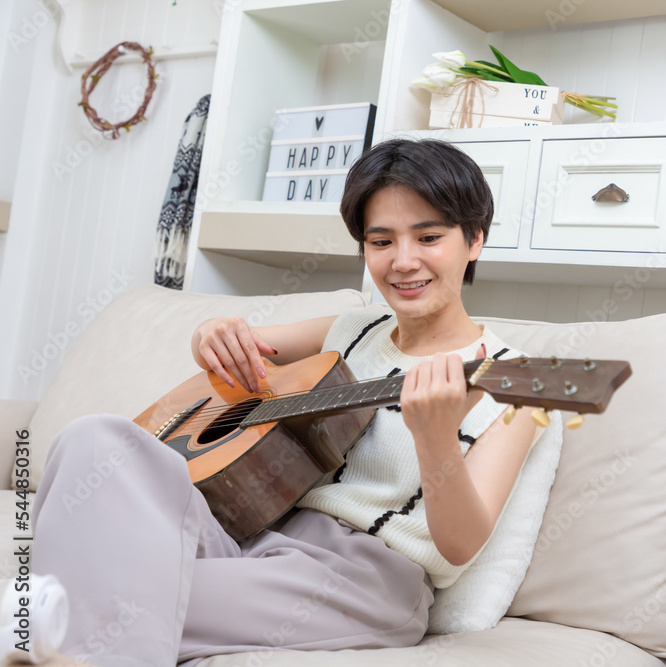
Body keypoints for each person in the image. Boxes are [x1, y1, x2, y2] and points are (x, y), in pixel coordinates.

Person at [27, 138, 540, 667]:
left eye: (429, 236)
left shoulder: (515, 382)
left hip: (362, 581)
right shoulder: (354, 329)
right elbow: (239, 348)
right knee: (93, 438)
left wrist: (435, 439)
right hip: (254, 534)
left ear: (474, 239)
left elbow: (460, 546)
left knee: (113, 593)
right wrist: (210, 333)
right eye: (381, 241)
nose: (403, 261)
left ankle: (48, 630)